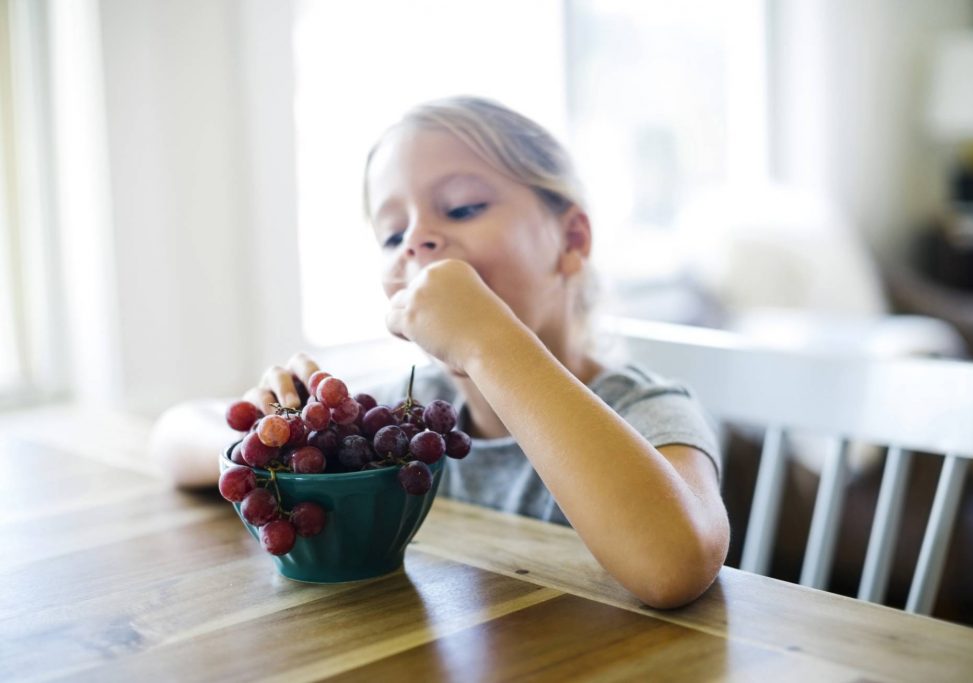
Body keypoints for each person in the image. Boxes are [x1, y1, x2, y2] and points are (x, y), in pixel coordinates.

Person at [153, 96, 729, 609]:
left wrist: (489, 343)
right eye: (390, 234)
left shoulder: (648, 409)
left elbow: (673, 566)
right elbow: (175, 434)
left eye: (462, 208)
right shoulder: (406, 422)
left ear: (572, 241)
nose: (415, 241)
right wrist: (263, 439)